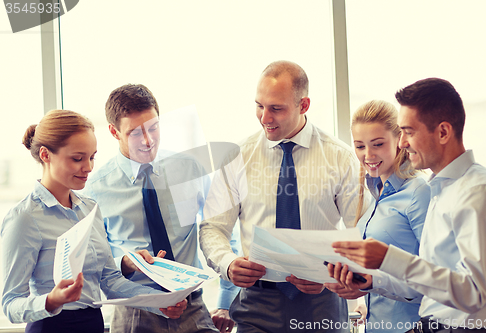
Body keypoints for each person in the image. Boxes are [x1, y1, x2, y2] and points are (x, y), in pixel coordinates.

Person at [199, 60, 368, 333]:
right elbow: (212, 228)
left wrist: (329, 274)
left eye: (276, 108)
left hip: (322, 301)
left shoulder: (340, 157)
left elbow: (362, 233)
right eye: (259, 106)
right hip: (256, 303)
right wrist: (228, 263)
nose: (265, 117)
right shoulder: (238, 157)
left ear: (304, 106)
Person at [332, 78, 486, 332]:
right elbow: (430, 283)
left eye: (409, 132)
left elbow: (473, 292)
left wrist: (389, 258)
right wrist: (373, 280)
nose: (402, 143)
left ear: (443, 132)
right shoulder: (440, 189)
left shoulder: (479, 191)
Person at [1, 110, 186, 333]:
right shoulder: (25, 218)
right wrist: (51, 300)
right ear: (45, 155)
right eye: (77, 158)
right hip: (51, 326)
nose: (88, 167)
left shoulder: (90, 209)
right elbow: (11, 304)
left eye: (92, 157)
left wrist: (160, 302)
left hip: (93, 325)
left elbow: (110, 281)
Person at [84, 84, 236, 333]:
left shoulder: (190, 169)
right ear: (114, 132)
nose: (147, 140)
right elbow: (94, 265)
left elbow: (222, 230)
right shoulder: (95, 189)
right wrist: (125, 262)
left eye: (153, 127)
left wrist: (225, 302)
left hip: (192, 306)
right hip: (135, 311)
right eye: (134, 133)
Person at [325, 100, 431, 332]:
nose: (368, 155)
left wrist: (373, 284)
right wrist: (360, 290)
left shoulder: (417, 193)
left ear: (399, 141)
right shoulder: (372, 192)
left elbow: (435, 278)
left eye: (378, 144)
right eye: (360, 146)